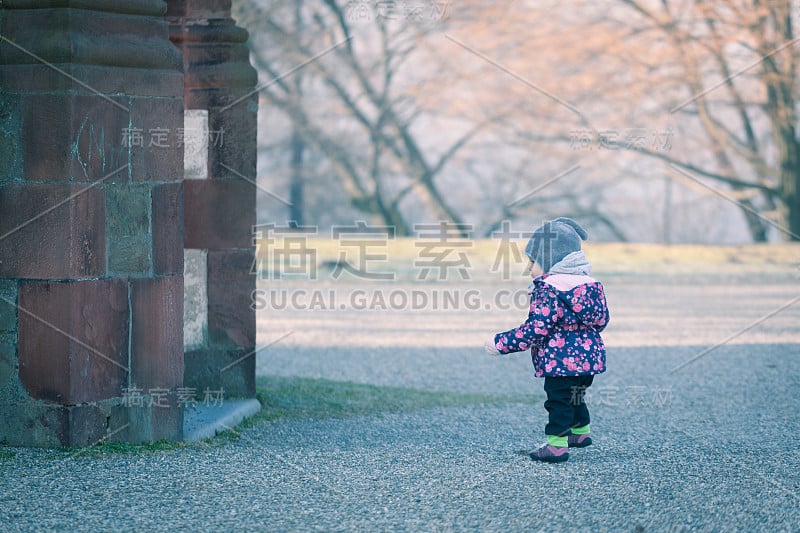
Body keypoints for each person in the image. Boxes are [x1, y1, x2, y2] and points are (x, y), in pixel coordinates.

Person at [485, 217, 609, 463]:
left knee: (558, 402)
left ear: (550, 261)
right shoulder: (592, 285)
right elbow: (602, 321)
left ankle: (556, 446)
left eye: (533, 261)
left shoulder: (548, 289)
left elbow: (536, 328)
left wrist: (501, 343)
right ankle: (580, 433)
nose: (529, 268)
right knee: (576, 395)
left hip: (560, 362)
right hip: (589, 361)